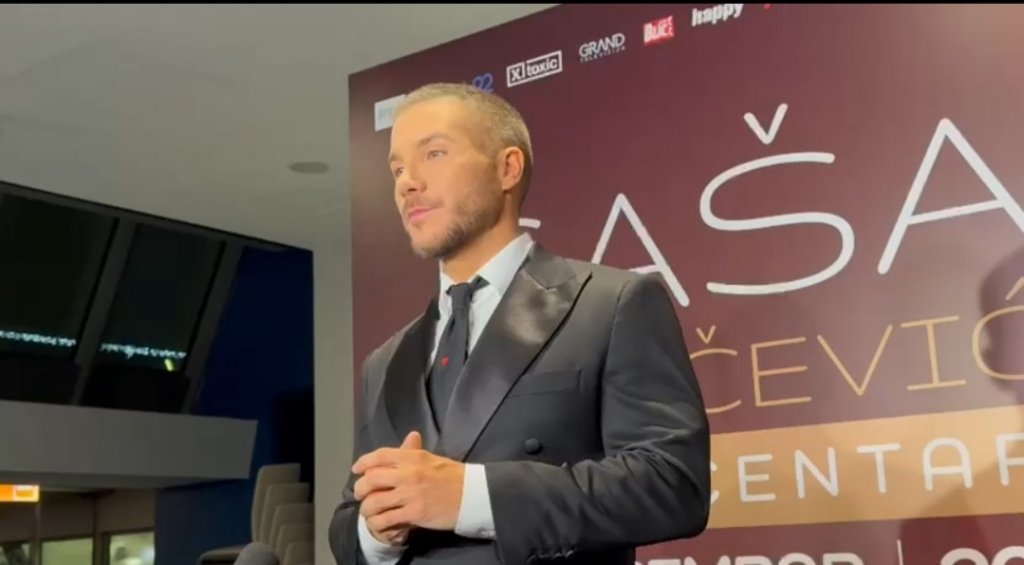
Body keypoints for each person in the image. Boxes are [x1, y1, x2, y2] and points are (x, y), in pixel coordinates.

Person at [329, 82, 711, 565]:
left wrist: (471, 496)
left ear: (507, 167)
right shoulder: (384, 362)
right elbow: (348, 523)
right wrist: (375, 531)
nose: (407, 183)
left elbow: (674, 484)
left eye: (434, 154)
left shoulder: (612, 304)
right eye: (398, 169)